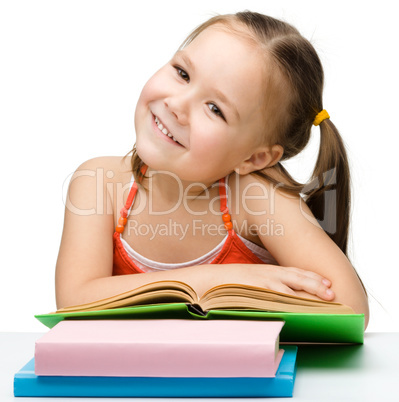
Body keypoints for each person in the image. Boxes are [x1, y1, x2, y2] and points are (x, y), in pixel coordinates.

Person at [55, 11, 369, 327]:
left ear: (255, 158)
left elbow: (350, 307)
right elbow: (75, 299)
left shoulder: (256, 197)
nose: (176, 105)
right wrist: (219, 280)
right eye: (182, 73)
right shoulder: (100, 184)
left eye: (215, 109)